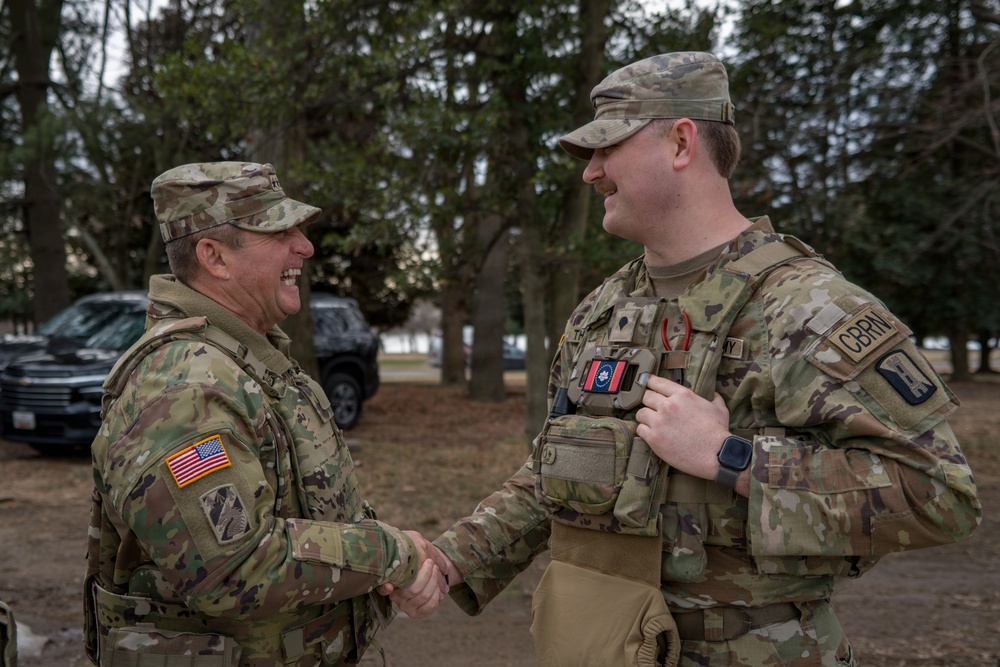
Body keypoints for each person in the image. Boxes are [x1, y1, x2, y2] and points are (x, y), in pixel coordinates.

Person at [384, 52, 982, 666]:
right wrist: (455, 558)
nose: (590, 173)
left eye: (606, 148)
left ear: (680, 141)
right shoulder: (604, 308)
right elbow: (560, 470)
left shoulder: (807, 307)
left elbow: (940, 495)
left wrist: (732, 458)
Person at [84, 162, 446, 667]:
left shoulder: (246, 363)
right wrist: (388, 555)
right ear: (215, 258)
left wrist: (383, 579)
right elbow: (233, 570)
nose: (305, 246)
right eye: (278, 231)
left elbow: (314, 514)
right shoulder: (184, 387)